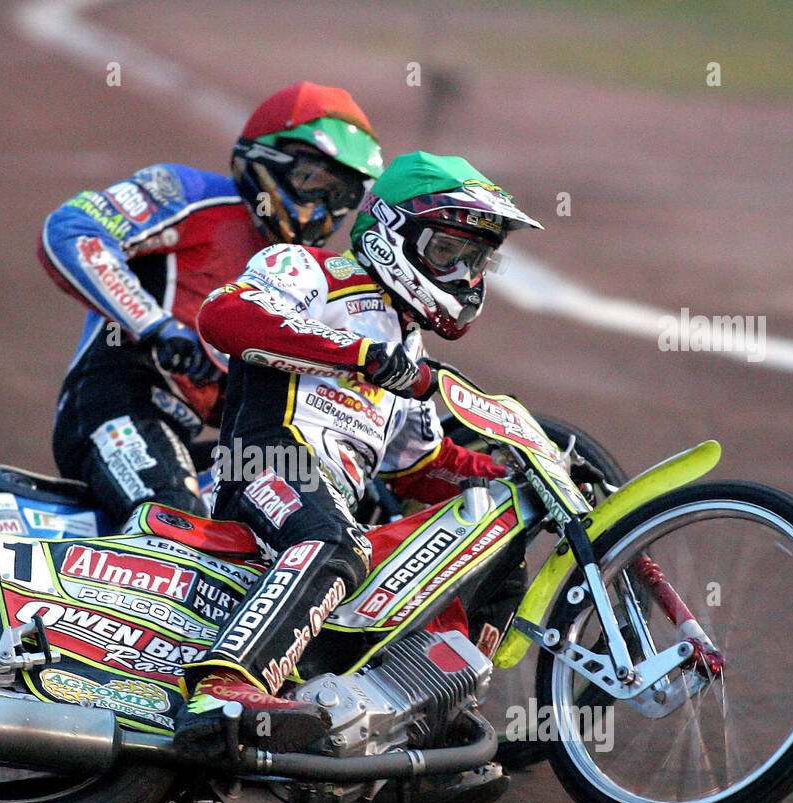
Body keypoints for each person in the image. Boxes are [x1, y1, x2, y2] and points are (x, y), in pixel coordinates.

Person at [175, 151, 544, 758]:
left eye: (475, 261)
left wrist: (516, 474)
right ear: (391, 233)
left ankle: (419, 727)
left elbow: (422, 465)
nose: (463, 275)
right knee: (338, 543)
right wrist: (361, 355)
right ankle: (224, 690)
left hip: (330, 504)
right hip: (265, 465)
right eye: (448, 253)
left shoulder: (410, 347)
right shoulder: (309, 269)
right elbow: (224, 316)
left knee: (467, 548)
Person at [39, 82, 383, 527]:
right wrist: (155, 327)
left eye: (342, 196)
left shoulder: (311, 272)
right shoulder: (188, 193)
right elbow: (72, 230)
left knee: (298, 503)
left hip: (191, 437)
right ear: (264, 160)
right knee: (175, 523)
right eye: (312, 182)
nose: (322, 209)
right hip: (115, 404)